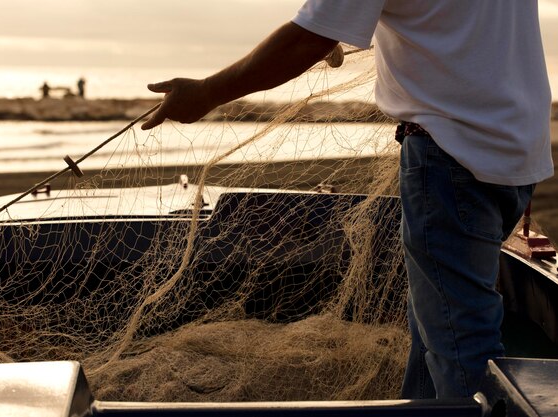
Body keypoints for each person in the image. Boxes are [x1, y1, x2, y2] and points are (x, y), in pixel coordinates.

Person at [140, 0, 553, 399]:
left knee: (461, 344)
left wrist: (206, 93)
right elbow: (452, 22)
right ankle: (425, 407)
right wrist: (340, 25)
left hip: (452, 155)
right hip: (517, 149)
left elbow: (305, 40)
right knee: (436, 323)